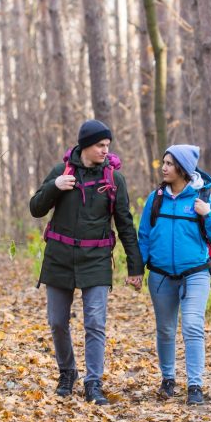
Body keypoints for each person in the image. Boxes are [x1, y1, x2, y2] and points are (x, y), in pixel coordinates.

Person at [29, 119, 144, 405]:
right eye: (100, 145)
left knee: (95, 322)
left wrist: (135, 266)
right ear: (85, 146)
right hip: (59, 258)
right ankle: (67, 372)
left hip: (96, 260)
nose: (106, 151)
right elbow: (36, 208)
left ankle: (94, 382)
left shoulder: (114, 179)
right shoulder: (61, 172)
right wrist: (55, 187)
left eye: (108, 146)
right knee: (57, 322)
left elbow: (125, 224)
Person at [131, 144, 211, 406]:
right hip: (161, 275)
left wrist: (207, 215)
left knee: (192, 325)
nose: (164, 167)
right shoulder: (156, 198)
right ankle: (168, 379)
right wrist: (137, 269)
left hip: (195, 273)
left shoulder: (203, 198)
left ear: (183, 169)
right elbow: (144, 236)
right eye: (163, 162)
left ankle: (195, 385)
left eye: (170, 164)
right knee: (165, 329)